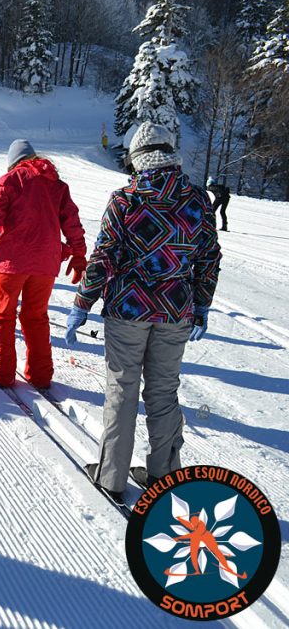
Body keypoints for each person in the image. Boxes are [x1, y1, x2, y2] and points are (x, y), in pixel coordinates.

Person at [66, 122, 221, 501]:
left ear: (138, 158)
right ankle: (163, 476)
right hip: (175, 311)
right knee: (164, 393)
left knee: (122, 389)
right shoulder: (198, 200)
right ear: (171, 154)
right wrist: (201, 302)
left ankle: (112, 477)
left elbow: (103, 256)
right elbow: (208, 258)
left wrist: (82, 303)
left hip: (128, 311)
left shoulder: (126, 199)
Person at [0, 139, 86, 389]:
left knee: (2, 317)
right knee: (36, 317)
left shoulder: (10, 180)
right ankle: (41, 375)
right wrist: (78, 254)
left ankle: (2, 374)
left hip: (12, 262)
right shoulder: (57, 185)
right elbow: (72, 222)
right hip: (45, 264)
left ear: (14, 161)